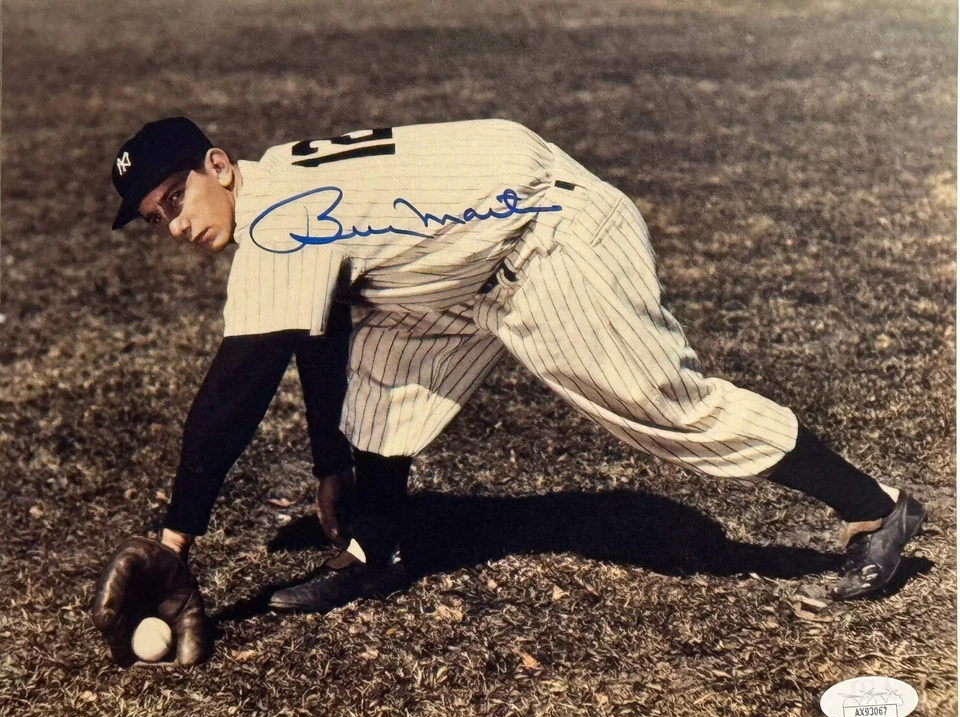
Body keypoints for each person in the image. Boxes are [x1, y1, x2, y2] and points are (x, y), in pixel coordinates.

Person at [93, 117, 926, 666]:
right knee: (380, 370)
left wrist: (174, 545)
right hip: (468, 261)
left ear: (219, 166)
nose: (176, 223)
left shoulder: (279, 219)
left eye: (176, 196)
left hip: (551, 237)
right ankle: (375, 550)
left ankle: (874, 510)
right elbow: (320, 331)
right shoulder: (276, 184)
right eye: (158, 216)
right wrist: (331, 464)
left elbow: (234, 395)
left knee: (669, 405)